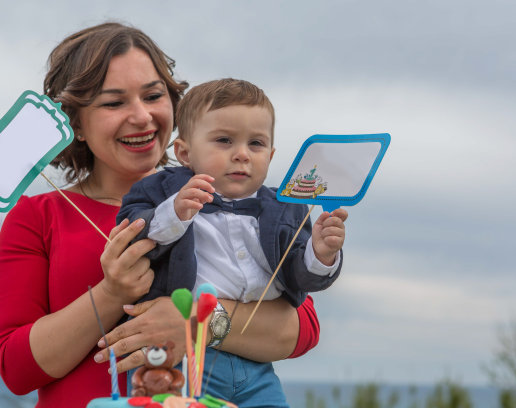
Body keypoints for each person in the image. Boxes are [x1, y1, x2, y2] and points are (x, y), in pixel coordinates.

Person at [0, 22, 321, 408]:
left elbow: (301, 328)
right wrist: (111, 293)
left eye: (153, 96)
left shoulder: (225, 198)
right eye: (113, 102)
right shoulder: (38, 216)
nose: (142, 116)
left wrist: (196, 322)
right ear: (76, 124)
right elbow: (16, 370)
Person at [117, 78, 349, 405]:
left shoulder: (287, 208)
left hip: (255, 361)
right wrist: (175, 213)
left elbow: (299, 277)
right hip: (182, 359)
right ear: (184, 152)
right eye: (224, 140)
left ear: (270, 155)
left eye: (255, 144)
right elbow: (133, 229)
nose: (241, 154)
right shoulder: (162, 191)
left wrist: (321, 254)